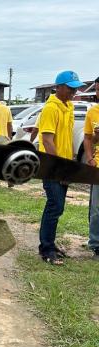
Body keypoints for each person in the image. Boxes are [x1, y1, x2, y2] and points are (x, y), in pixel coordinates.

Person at [37, 70, 84, 265]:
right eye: (70, 88)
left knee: (58, 207)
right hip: (51, 166)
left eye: (75, 88)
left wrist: (71, 163)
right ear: (59, 87)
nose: (74, 92)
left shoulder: (68, 107)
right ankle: (46, 248)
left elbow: (69, 139)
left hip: (64, 165)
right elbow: (47, 141)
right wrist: (59, 168)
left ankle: (50, 243)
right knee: (55, 205)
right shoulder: (51, 108)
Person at [82, 76, 99, 261]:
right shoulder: (93, 113)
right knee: (96, 208)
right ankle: (95, 244)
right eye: (97, 89)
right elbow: (88, 139)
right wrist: (89, 157)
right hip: (97, 167)